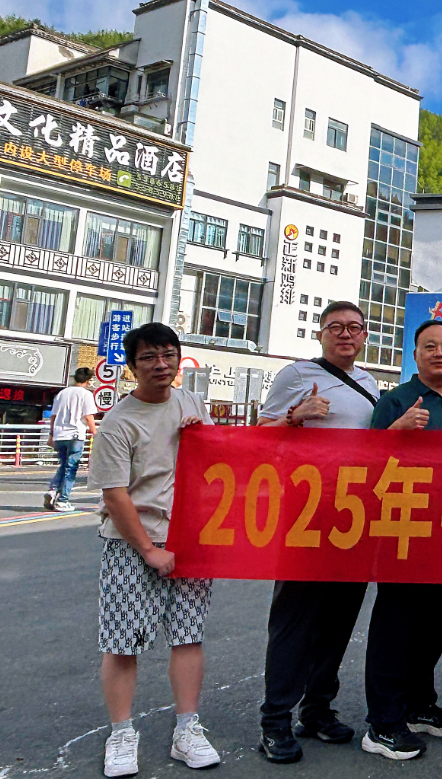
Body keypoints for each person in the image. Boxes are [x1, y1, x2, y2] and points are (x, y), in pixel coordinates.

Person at [256, 303, 381, 764]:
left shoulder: (369, 383)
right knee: (295, 621)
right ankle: (275, 720)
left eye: (354, 328)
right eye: (336, 327)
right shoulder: (296, 375)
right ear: (321, 333)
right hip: (305, 518)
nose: (345, 334)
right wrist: (295, 416)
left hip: (355, 518)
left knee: (338, 620)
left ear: (364, 335)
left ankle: (316, 709)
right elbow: (259, 436)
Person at [92, 323, 219, 778]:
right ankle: (122, 733)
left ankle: (187, 729)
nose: (160, 365)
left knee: (188, 635)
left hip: (188, 539)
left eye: (168, 355)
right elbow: (114, 495)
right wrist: (148, 550)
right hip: (131, 543)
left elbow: (216, 460)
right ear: (132, 366)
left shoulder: (191, 403)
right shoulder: (118, 422)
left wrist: (201, 435)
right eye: (148, 357)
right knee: (122, 641)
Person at [360, 319, 442, 761]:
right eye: (430, 347)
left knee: (434, 623)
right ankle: (383, 722)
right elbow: (365, 461)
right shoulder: (396, 400)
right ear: (416, 355)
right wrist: (397, 430)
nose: (439, 354)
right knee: (395, 625)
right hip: (403, 530)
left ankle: (418, 703)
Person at [45, 366, 97, 512]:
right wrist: (95, 433)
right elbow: (88, 416)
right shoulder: (86, 395)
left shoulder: (62, 393)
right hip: (75, 435)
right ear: (88, 380)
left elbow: (53, 416)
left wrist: (51, 435)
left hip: (60, 434)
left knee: (63, 465)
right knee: (71, 468)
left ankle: (53, 490)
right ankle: (63, 500)